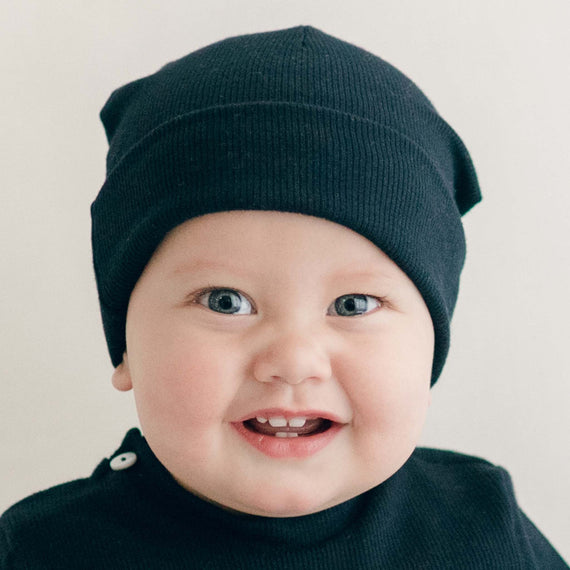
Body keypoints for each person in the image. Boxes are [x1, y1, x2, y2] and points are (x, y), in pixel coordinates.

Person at [1, 25, 567, 569]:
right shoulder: (41, 551)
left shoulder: (482, 530)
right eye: (225, 301)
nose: (294, 360)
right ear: (124, 344)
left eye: (354, 305)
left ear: (431, 350)